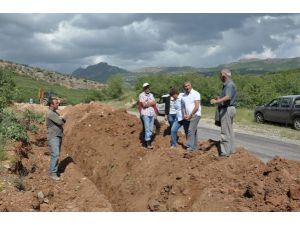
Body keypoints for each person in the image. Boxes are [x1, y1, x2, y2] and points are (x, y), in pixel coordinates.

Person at [210, 68, 237, 157]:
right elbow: (226, 97)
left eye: (220, 75)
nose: (220, 77)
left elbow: (228, 97)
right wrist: (220, 98)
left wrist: (216, 101)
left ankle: (224, 153)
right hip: (230, 108)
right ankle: (231, 150)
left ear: (223, 75)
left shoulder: (229, 84)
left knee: (225, 131)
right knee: (229, 130)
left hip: (227, 109)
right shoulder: (229, 84)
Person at [46, 97, 66, 181]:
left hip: (57, 136)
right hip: (54, 137)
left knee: (56, 154)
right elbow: (60, 122)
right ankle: (53, 173)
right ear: (51, 104)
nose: (58, 104)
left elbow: (61, 120)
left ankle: (54, 170)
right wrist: (61, 119)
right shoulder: (50, 113)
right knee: (55, 154)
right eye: (56, 103)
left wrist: (61, 118)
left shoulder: (54, 113)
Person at [181, 81, 201, 151]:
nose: (187, 87)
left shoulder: (196, 93)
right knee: (193, 131)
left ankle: (190, 147)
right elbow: (184, 106)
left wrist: (191, 115)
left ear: (191, 85)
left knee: (190, 130)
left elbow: (196, 106)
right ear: (184, 87)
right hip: (188, 115)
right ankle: (195, 148)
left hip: (195, 114)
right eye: (185, 86)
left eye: (188, 86)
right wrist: (185, 114)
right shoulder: (183, 96)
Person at [139, 83, 156, 149]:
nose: (147, 89)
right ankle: (147, 144)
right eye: (146, 87)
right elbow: (144, 105)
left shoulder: (151, 95)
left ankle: (147, 141)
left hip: (151, 113)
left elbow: (154, 103)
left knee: (151, 129)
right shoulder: (141, 95)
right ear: (144, 88)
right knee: (147, 128)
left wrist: (148, 103)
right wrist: (151, 103)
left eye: (148, 87)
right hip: (145, 113)